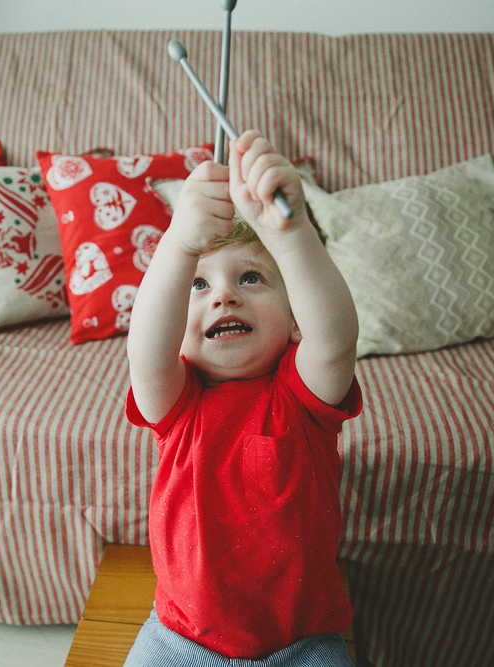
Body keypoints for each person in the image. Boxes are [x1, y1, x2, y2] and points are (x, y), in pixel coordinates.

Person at [124, 130, 362, 666]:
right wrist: (180, 244)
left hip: (302, 642)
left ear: (294, 319)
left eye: (250, 277)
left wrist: (290, 233)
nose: (225, 295)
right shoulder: (175, 405)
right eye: (198, 285)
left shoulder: (305, 399)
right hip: (179, 637)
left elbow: (336, 337)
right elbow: (145, 352)